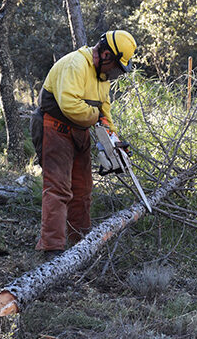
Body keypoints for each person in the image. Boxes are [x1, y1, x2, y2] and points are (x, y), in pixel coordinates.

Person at [35, 30, 137, 256]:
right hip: (55, 127)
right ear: (107, 56)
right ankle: (52, 249)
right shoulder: (77, 64)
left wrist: (113, 139)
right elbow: (69, 104)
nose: (114, 74)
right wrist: (95, 117)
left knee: (82, 189)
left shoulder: (102, 79)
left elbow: (104, 111)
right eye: (116, 69)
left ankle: (80, 243)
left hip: (79, 132)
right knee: (58, 188)